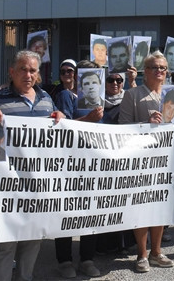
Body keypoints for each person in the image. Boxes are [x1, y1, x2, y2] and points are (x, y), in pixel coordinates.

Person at [0, 50, 65, 281]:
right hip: (6, 184)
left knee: (33, 238)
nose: (28, 74)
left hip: (38, 183)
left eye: (32, 70)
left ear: (38, 74)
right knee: (5, 243)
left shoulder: (46, 99)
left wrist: (60, 117)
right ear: (12, 72)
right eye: (23, 69)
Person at [118, 51, 174, 271]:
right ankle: (142, 254)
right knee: (141, 207)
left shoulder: (172, 93)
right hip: (142, 161)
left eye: (163, 68)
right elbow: (123, 127)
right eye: (155, 67)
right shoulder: (133, 94)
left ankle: (157, 252)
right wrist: (146, 123)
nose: (160, 71)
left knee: (160, 206)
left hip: (167, 158)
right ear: (145, 71)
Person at [52, 59, 107, 278]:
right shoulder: (66, 96)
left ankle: (87, 258)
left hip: (93, 162)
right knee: (66, 210)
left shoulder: (99, 99)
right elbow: (63, 128)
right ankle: (64, 260)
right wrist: (88, 119)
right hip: (71, 163)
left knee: (90, 211)